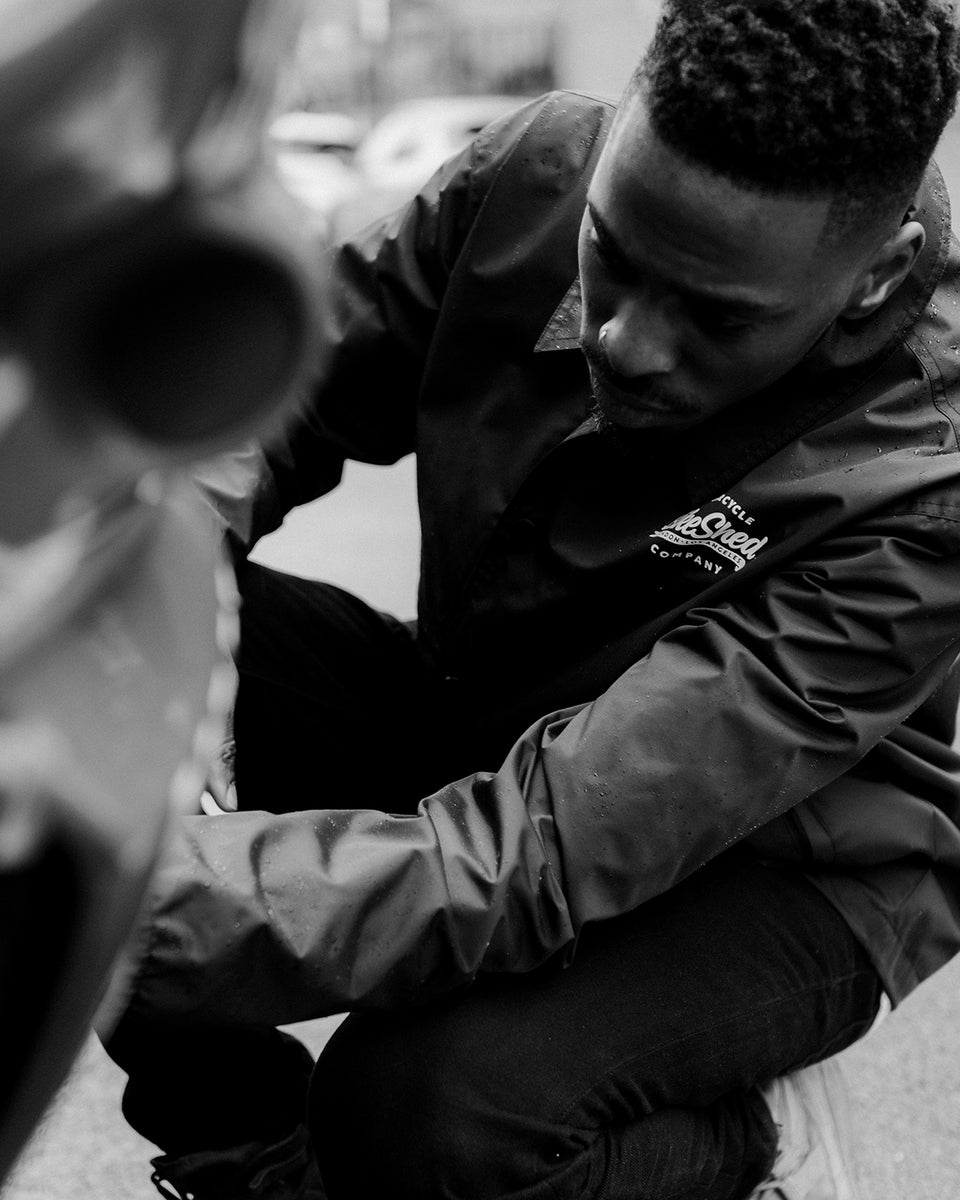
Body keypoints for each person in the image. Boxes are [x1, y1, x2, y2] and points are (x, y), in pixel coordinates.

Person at [107, 1, 960, 1198]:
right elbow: (246, 409)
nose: (627, 340)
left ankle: (746, 1152)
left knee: (425, 1109)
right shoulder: (536, 173)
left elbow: (547, 848)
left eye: (717, 315)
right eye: (614, 252)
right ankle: (255, 1171)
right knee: (87, 638)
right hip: (491, 719)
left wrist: (164, 907)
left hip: (778, 870)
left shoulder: (924, 480)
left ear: (878, 279)